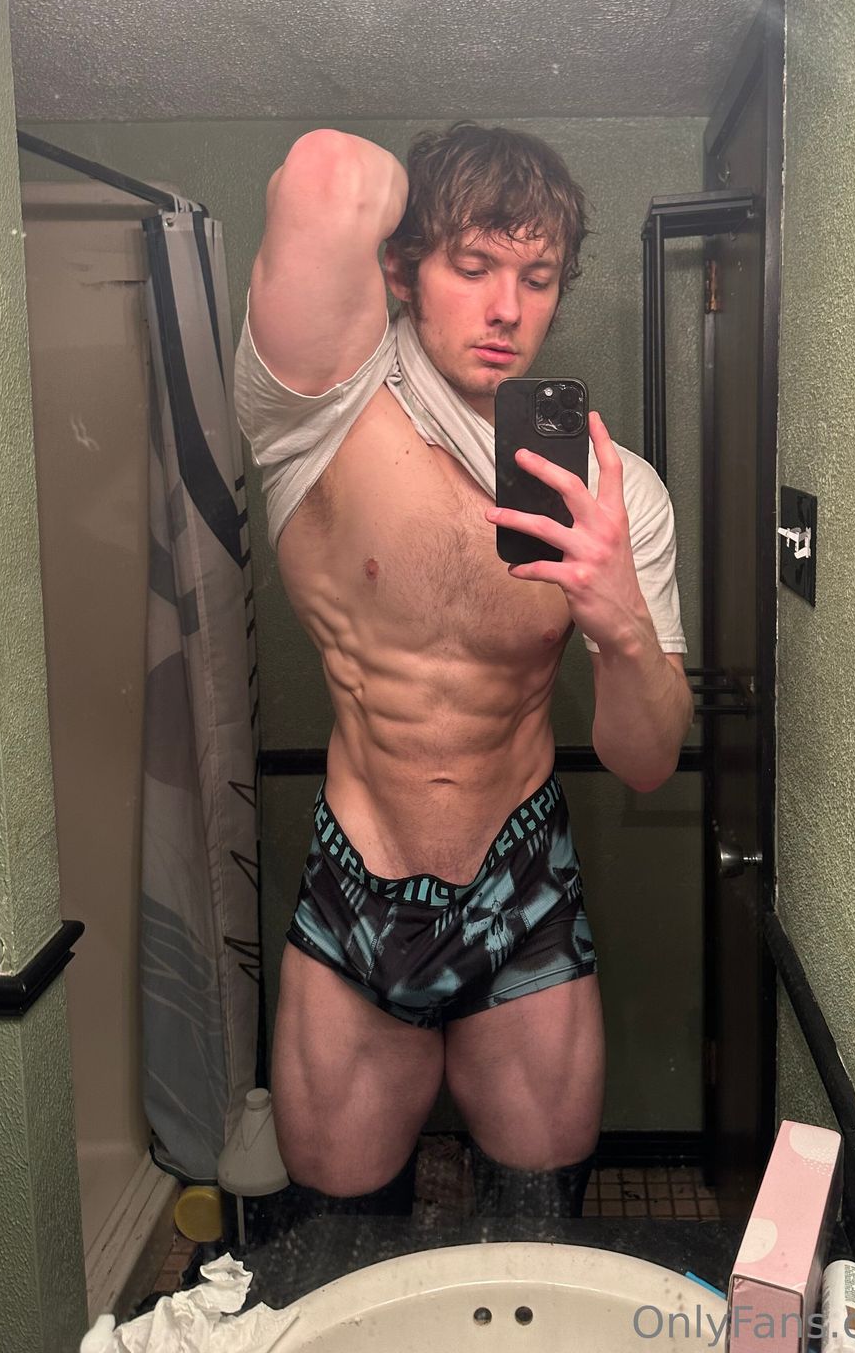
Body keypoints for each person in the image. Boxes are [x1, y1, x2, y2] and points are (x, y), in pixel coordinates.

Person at [233, 122, 692, 1221]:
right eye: (473, 265)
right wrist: (439, 193)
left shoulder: (614, 493)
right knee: (342, 1250)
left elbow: (646, 762)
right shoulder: (317, 404)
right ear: (401, 270)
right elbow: (330, 175)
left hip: (521, 892)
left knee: (539, 1235)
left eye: (537, 278)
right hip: (356, 888)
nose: (506, 309)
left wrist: (621, 622)